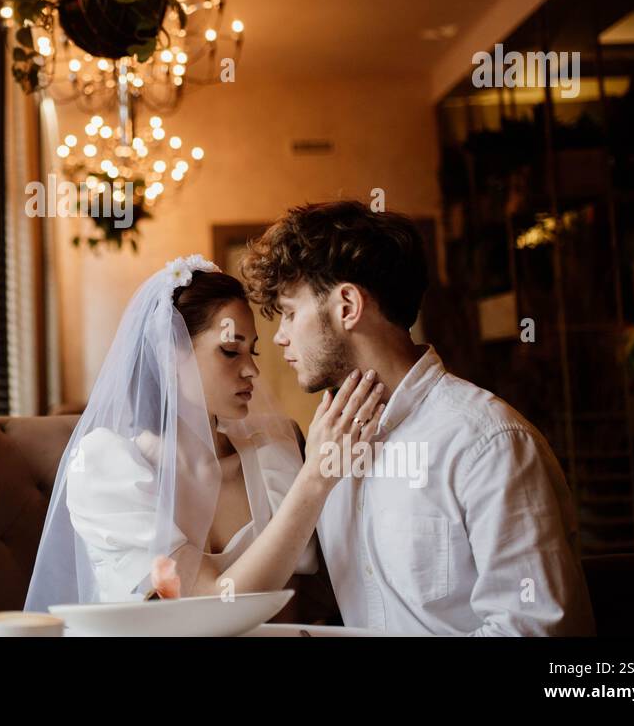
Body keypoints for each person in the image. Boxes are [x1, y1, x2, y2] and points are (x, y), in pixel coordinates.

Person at [242, 200, 595, 635]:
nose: (279, 336)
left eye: (292, 313)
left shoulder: (488, 443)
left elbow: (535, 630)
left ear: (347, 305)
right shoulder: (329, 445)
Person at [24, 254, 384, 611]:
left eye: (252, 351)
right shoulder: (106, 469)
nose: (252, 371)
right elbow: (207, 600)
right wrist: (315, 479)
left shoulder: (272, 449)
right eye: (230, 351)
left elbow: (307, 597)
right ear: (168, 356)